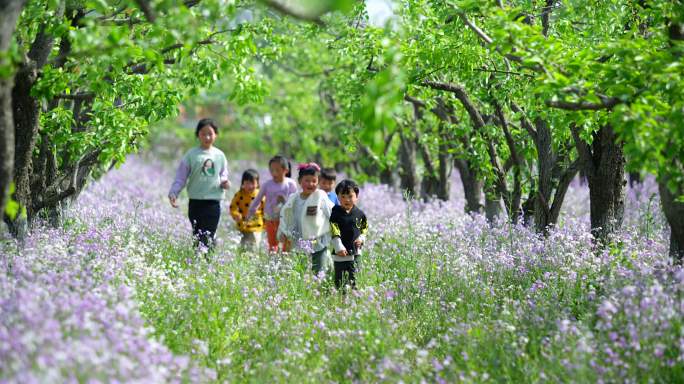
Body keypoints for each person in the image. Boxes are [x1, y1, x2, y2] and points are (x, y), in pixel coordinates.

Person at [168, 118, 230, 254]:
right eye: (203, 133)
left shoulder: (220, 155)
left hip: (213, 201)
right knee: (197, 234)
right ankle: (197, 261)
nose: (207, 137)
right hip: (195, 201)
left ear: (216, 135)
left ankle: (208, 262)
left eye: (210, 133)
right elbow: (181, 177)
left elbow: (223, 174)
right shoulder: (191, 155)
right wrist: (174, 193)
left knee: (208, 234)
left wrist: (225, 182)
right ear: (198, 135)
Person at [278, 162, 334, 275]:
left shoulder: (320, 197)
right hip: (300, 239)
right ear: (299, 181)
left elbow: (332, 212)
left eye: (314, 181)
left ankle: (322, 284)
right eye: (307, 180)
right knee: (300, 268)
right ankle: (303, 287)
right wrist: (284, 232)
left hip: (317, 240)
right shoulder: (294, 198)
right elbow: (286, 215)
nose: (311, 184)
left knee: (320, 268)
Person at [247, 155, 297, 252]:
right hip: (271, 218)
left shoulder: (290, 184)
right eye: (272, 170)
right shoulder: (267, 185)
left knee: (287, 242)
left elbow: (295, 200)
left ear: (285, 170)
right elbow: (257, 199)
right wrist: (251, 211)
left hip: (286, 218)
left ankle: (284, 261)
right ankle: (272, 261)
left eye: (277, 170)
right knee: (272, 242)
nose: (274, 173)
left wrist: (284, 200)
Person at [330, 179, 368, 290]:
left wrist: (361, 239)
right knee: (340, 281)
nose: (347, 200)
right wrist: (338, 247)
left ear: (356, 196)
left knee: (355, 279)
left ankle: (355, 301)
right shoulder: (335, 213)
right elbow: (334, 230)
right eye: (343, 196)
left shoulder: (360, 214)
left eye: (350, 196)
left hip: (356, 252)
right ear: (337, 197)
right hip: (340, 254)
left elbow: (364, 228)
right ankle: (341, 301)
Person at [230, 169, 265, 251]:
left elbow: (265, 210)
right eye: (247, 183)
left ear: (257, 184)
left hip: (256, 226)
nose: (250, 186)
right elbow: (233, 206)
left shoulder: (260, 195)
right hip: (242, 226)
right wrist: (236, 214)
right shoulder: (239, 194)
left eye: (252, 183)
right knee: (241, 248)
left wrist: (266, 223)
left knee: (253, 248)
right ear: (243, 183)